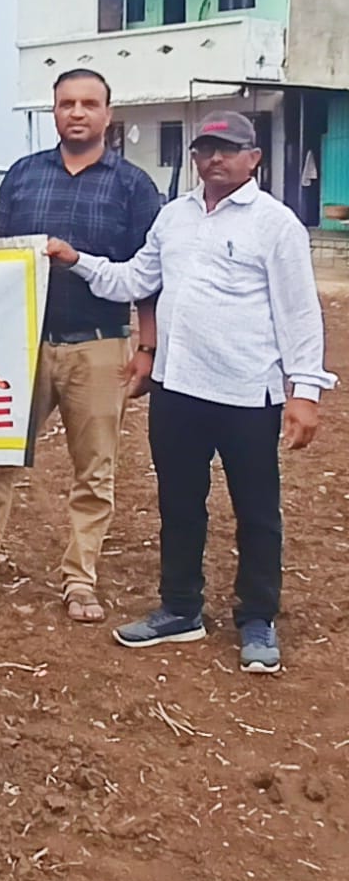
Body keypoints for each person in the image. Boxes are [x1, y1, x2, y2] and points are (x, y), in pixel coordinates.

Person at [45, 111, 336, 673]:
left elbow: (299, 314)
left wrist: (304, 391)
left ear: (254, 158)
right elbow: (135, 280)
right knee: (180, 505)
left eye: (227, 150)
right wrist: (76, 261)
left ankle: (257, 618)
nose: (214, 160)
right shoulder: (173, 218)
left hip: (248, 392)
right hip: (177, 388)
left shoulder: (275, 225)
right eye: (205, 150)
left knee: (256, 510)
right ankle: (180, 608)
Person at [0, 68, 162, 623]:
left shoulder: (134, 186)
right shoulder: (23, 177)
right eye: (66, 104)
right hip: (19, 346)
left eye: (89, 104)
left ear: (108, 113)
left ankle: (80, 580)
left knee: (94, 471)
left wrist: (146, 347)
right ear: (53, 112)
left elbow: (148, 275)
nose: (77, 113)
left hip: (99, 346)